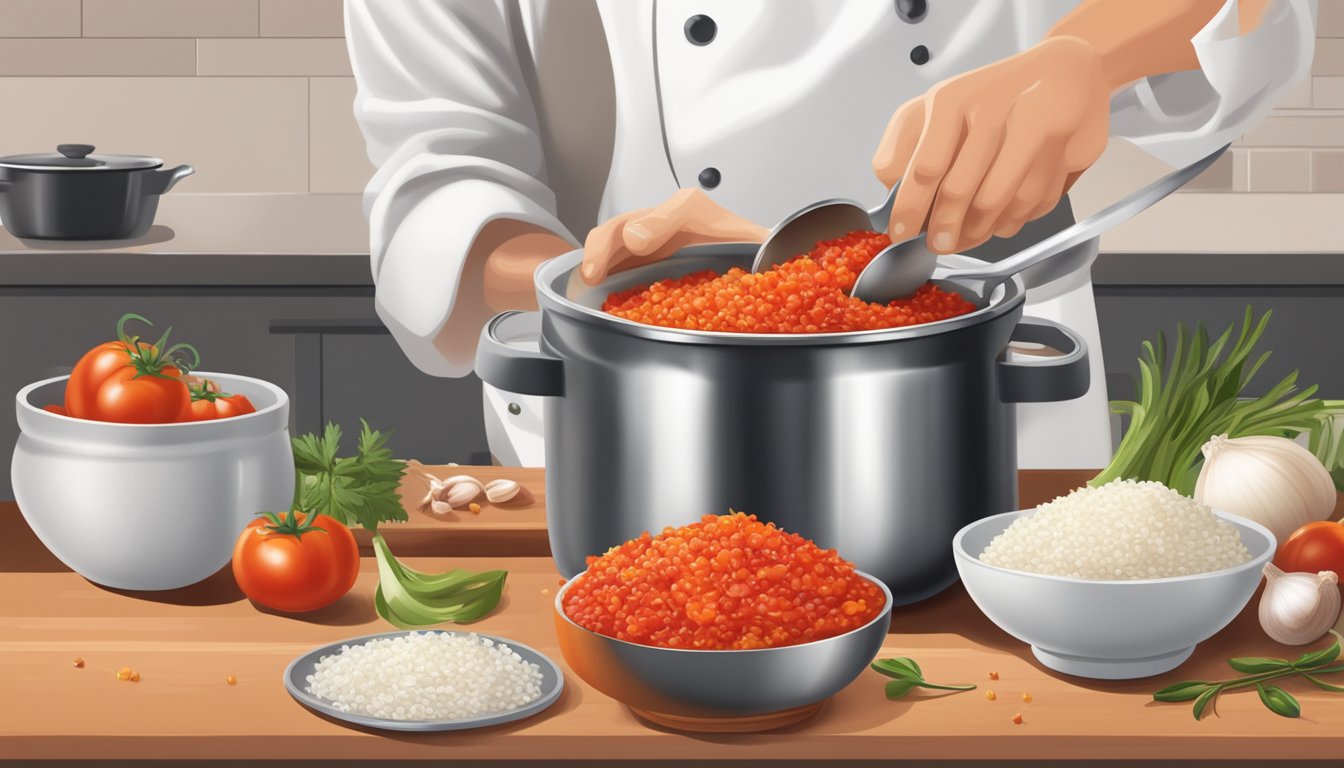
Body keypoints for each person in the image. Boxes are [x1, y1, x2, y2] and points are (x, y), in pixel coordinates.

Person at [346, 0, 1316, 468]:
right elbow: (443, 175)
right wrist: (594, 273)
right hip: (644, 383)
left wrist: (1086, 56)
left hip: (992, 375)